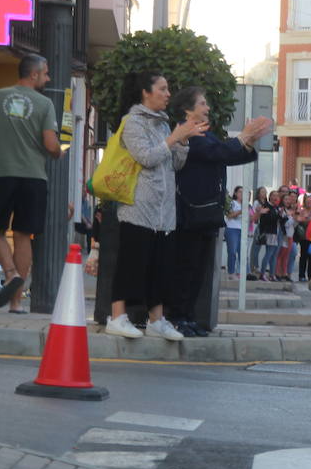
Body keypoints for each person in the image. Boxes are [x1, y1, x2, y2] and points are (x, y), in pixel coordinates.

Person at [105, 72, 204, 340]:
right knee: (131, 264)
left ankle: (156, 320)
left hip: (164, 210)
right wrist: (174, 138)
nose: (168, 93)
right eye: (163, 88)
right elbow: (146, 157)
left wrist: (182, 140)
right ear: (146, 93)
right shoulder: (133, 122)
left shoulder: (163, 124)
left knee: (160, 266)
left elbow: (175, 164)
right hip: (138, 206)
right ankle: (117, 317)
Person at [166, 86, 265, 337]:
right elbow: (217, 152)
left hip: (207, 212)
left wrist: (248, 141)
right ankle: (177, 317)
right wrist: (242, 138)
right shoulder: (187, 133)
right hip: (190, 211)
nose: (207, 108)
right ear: (188, 110)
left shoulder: (205, 134)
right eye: (202, 104)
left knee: (198, 270)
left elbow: (225, 154)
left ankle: (188, 317)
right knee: (184, 268)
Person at [0, 53, 62, 313]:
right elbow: (50, 145)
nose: (48, 78)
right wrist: (60, 150)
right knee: (24, 235)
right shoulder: (45, 104)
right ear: (33, 74)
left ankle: (11, 274)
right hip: (34, 179)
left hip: (3, 175)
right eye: (45, 73)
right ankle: (16, 303)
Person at [224, 186, 245, 278]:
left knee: (242, 252)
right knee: (232, 251)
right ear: (235, 193)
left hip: (242, 229)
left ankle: (241, 272)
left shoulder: (246, 205)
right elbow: (229, 215)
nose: (242, 194)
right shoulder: (232, 203)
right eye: (240, 192)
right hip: (232, 228)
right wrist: (241, 211)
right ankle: (231, 272)